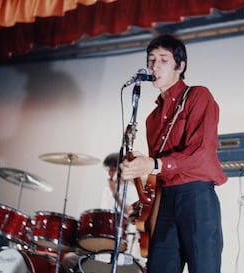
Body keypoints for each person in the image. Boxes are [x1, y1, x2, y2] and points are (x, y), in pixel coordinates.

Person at [120, 34, 228, 273]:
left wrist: (154, 164)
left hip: (196, 197)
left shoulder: (198, 96)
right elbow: (157, 173)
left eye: (163, 60)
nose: (154, 66)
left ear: (180, 66)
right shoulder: (152, 119)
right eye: (151, 60)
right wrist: (145, 190)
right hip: (166, 200)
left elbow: (201, 153)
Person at [61, 152, 141, 272]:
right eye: (108, 169)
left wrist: (116, 194)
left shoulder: (131, 189)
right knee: (68, 259)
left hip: (122, 241)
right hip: (104, 241)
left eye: (113, 169)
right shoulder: (106, 190)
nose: (109, 173)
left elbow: (130, 213)